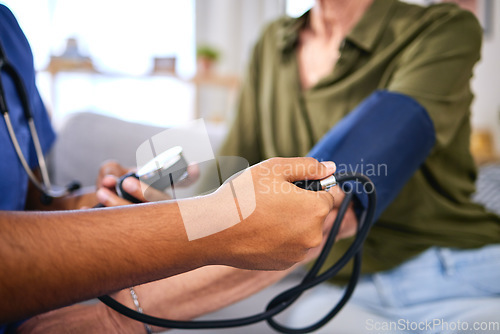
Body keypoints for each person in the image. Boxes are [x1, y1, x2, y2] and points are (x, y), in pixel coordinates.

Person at [19, 0, 500, 333]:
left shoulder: (441, 30)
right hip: (332, 281)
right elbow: (232, 177)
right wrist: (150, 201)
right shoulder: (273, 43)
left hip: (444, 265)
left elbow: (332, 206)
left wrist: (124, 315)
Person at [0, 4, 340, 330]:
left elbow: (26, 200)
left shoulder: (9, 33)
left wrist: (90, 206)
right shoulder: (271, 42)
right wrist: (218, 217)